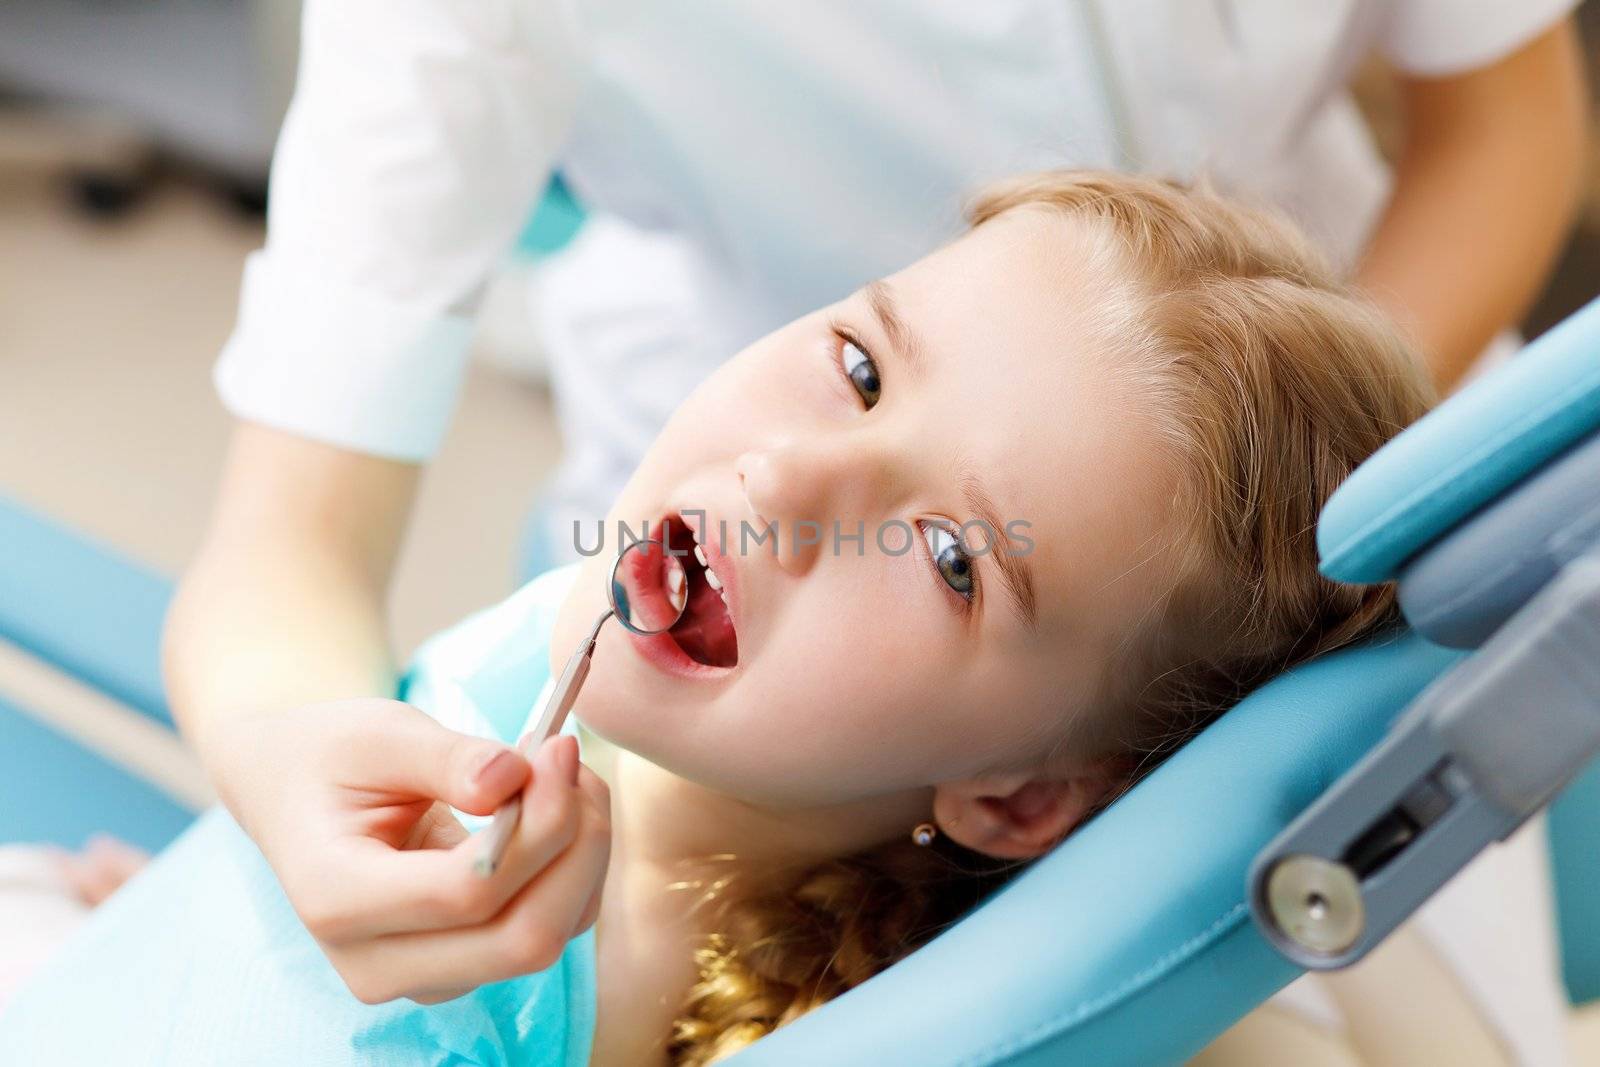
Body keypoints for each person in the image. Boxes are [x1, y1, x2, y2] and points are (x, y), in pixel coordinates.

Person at [7, 170, 1522, 1065]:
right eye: (862, 367)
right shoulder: (602, 644)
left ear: (1017, 795)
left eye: (949, 558)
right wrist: (221, 885)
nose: (793, 475)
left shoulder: (622, 975)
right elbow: (277, 572)